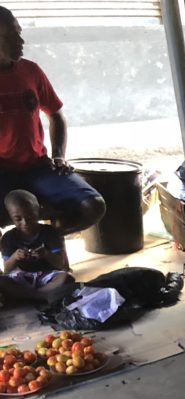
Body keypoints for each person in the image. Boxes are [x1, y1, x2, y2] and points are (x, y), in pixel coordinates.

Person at [0, 6, 105, 234]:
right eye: (11, 35)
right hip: (2, 172)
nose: (21, 41)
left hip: (38, 167)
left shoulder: (31, 71)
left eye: (20, 32)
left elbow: (55, 115)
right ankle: (13, 257)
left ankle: (45, 243)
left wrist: (58, 155)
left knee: (93, 206)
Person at [0, 189, 75, 304]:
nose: (25, 222)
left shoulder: (49, 232)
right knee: (2, 281)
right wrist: (15, 257)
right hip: (21, 278)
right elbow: (7, 269)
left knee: (66, 278)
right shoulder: (8, 238)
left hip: (46, 275)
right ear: (10, 217)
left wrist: (46, 254)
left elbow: (60, 264)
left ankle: (29, 297)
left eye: (29, 217)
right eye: (18, 219)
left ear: (38, 212)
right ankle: (42, 296)